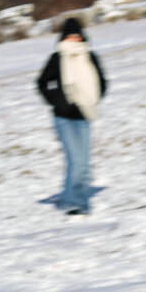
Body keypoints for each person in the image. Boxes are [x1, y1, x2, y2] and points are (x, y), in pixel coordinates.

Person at [36, 18, 107, 216]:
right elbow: (42, 82)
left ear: (82, 36)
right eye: (70, 36)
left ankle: (79, 201)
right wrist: (57, 100)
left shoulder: (90, 57)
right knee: (75, 161)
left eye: (77, 35)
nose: (74, 39)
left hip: (84, 115)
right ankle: (72, 203)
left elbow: (101, 81)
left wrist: (94, 98)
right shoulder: (57, 58)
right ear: (64, 37)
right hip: (63, 118)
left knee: (83, 164)